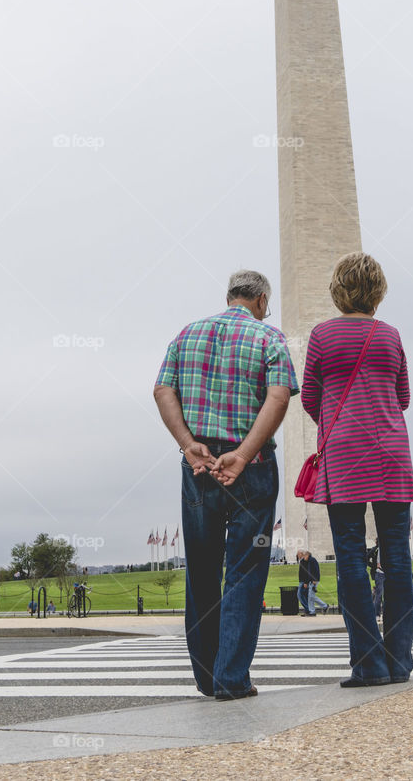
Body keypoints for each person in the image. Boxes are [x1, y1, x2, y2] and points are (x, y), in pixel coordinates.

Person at [154, 269, 298, 701]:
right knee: (245, 572)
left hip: (198, 465)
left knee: (200, 571)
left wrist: (188, 444)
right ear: (261, 300)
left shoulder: (187, 333)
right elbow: (279, 395)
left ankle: (206, 677)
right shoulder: (269, 337)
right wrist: (247, 452)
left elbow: (163, 390)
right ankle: (231, 678)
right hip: (249, 466)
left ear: (230, 296)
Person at [301, 252, 413, 688]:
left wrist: (339, 418)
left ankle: (368, 663)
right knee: (397, 557)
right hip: (392, 452)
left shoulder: (323, 335)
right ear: (378, 291)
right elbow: (402, 396)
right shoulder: (390, 335)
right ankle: (400, 661)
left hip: (344, 453)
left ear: (337, 290)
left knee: (349, 555)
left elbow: (310, 396)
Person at [298, 550, 328, 616]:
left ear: (307, 555)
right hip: (312, 580)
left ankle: (321, 607)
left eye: (304, 556)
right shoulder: (310, 561)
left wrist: (314, 580)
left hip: (314, 581)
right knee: (311, 596)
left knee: (311, 596)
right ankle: (316, 609)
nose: (304, 557)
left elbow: (316, 570)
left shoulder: (312, 560)